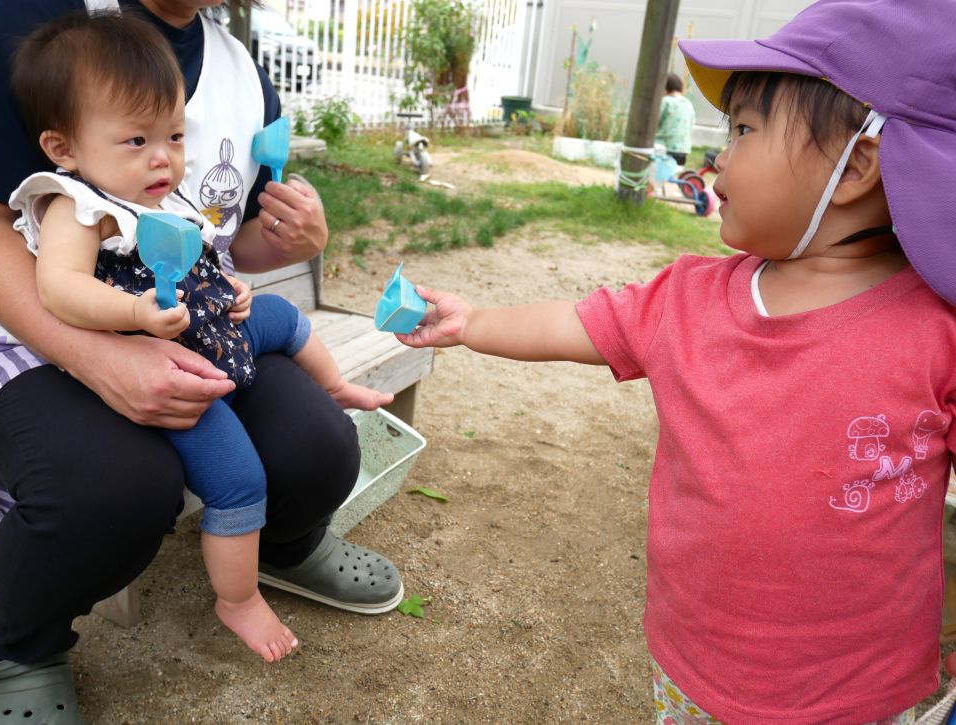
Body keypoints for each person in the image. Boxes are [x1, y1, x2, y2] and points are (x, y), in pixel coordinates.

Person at [398, 0, 956, 722]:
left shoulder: (935, 330)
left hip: (855, 697)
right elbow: (578, 322)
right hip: (693, 667)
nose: (720, 155)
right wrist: (474, 321)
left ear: (858, 167)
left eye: (747, 128)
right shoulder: (689, 297)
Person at [0, 1, 402, 721]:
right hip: (38, 322)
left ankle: (282, 544)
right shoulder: (48, 82)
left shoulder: (234, 65)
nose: (164, 156)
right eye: (140, 139)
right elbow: (17, 250)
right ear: (63, 147)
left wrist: (283, 244)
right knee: (115, 488)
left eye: (173, 135)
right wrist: (111, 343)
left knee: (318, 446)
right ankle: (21, 647)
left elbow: (231, 235)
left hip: (194, 326)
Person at [655, 73, 695, 166]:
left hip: (664, 149)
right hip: (683, 150)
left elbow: (654, 123)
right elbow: (692, 123)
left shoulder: (665, 101)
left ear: (664, 88)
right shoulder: (688, 104)